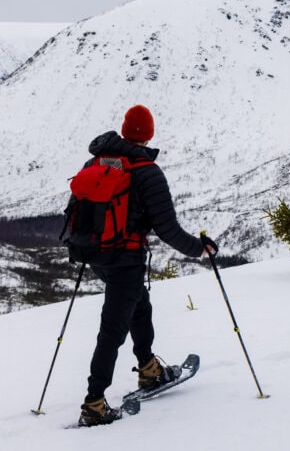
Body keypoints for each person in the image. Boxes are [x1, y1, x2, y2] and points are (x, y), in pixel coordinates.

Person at [75, 104, 217, 427]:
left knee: (139, 305)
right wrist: (198, 248)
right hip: (125, 259)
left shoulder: (95, 161)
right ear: (149, 134)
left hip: (99, 257)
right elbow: (167, 229)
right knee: (112, 329)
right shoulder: (147, 172)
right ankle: (94, 402)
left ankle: (148, 368)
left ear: (125, 130)